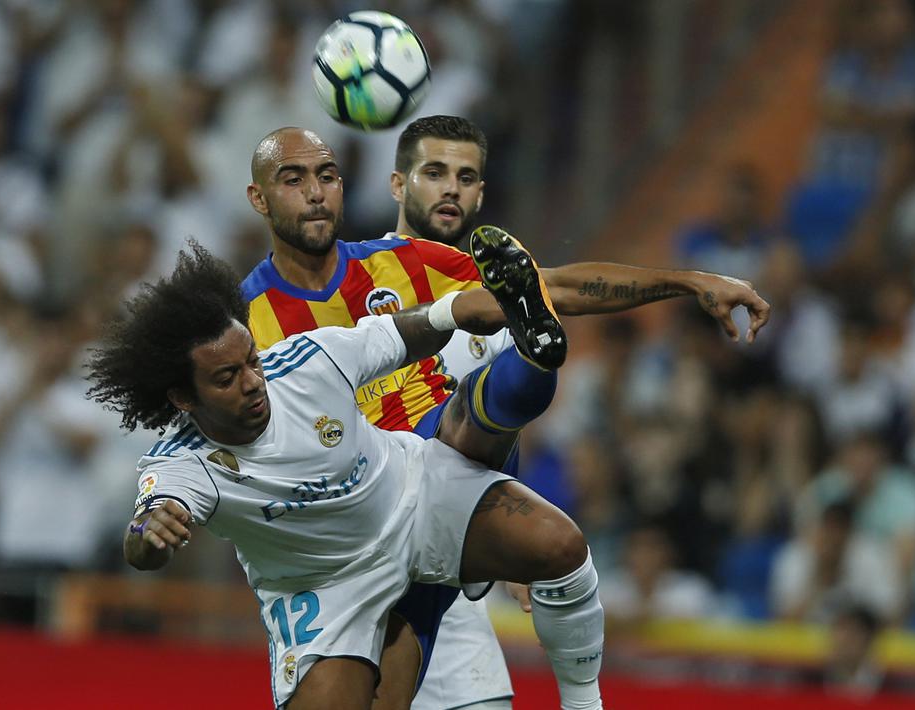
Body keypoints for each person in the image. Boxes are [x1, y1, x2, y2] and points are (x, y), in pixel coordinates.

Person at [241, 120, 771, 709]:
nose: (316, 192)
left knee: (470, 423)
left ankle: (531, 360)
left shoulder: (410, 264)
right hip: (345, 547)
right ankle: (525, 368)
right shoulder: (242, 322)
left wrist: (688, 281)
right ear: (259, 198)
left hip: (437, 492)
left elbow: (560, 288)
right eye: (294, 180)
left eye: (327, 176)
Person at [88, 241, 602, 710]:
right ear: (183, 398)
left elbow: (410, 329)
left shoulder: (306, 362)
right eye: (226, 378)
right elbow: (146, 533)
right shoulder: (183, 463)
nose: (252, 382)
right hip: (324, 589)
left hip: (414, 499)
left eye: (250, 361)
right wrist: (150, 533)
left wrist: (470, 306)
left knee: (560, 547)